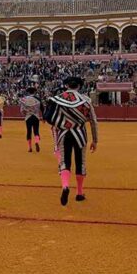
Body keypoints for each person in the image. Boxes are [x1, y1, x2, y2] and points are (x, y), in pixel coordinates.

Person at [45, 76, 98, 206]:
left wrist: (61, 125)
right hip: (80, 134)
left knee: (65, 162)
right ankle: (79, 193)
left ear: (66, 85)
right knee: (80, 162)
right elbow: (93, 121)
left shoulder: (57, 99)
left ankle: (65, 186)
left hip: (64, 134)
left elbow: (49, 118)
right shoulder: (85, 100)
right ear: (79, 86)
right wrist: (95, 140)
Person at [20, 87, 43, 152]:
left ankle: (30, 147)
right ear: (34, 92)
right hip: (36, 117)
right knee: (36, 131)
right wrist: (43, 117)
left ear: (28, 92)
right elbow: (42, 108)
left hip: (28, 117)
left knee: (29, 131)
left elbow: (22, 110)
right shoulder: (38, 99)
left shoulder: (24, 99)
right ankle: (37, 142)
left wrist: (25, 114)